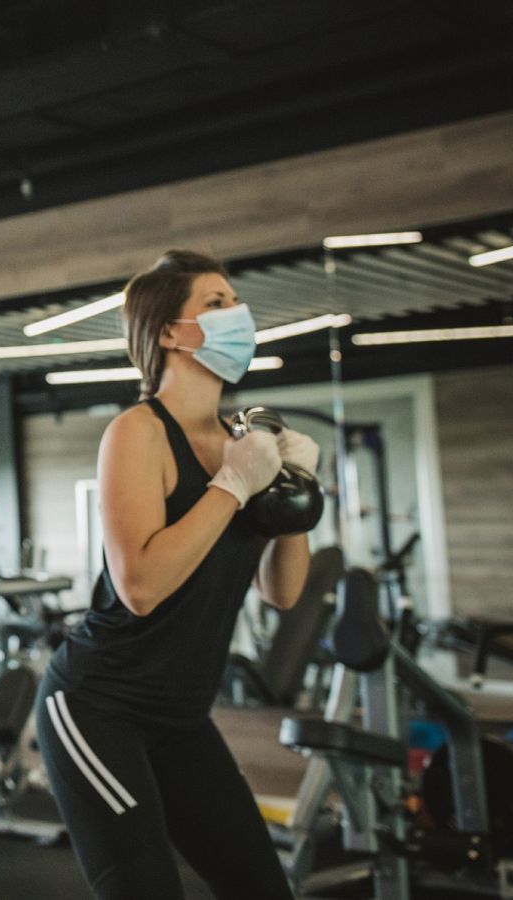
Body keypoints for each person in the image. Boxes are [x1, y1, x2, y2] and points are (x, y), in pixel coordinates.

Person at [35, 250, 316, 899]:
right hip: (97, 706)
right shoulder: (138, 433)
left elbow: (284, 591)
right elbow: (140, 588)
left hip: (184, 718)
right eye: (216, 304)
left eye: (235, 301)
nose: (237, 314)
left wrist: (299, 496)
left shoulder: (243, 441)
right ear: (168, 332)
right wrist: (232, 486)